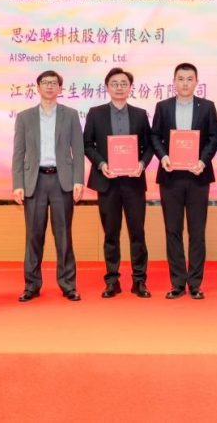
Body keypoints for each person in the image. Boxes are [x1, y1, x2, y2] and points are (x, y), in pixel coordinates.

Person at [11, 70, 85, 302]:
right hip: (35, 181)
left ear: (60, 88)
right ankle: (31, 285)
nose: (50, 86)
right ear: (38, 87)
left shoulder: (70, 115)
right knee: (33, 236)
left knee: (64, 236)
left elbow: (78, 150)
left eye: (54, 83)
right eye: (45, 83)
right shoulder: (25, 117)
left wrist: (78, 180)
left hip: (62, 181)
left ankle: (68, 285)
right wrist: (17, 184)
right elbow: (18, 153)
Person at [83, 67, 154, 299]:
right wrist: (101, 164)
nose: (119, 87)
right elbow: (87, 145)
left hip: (133, 182)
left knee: (137, 233)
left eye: (124, 83)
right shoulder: (96, 113)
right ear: (107, 87)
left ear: (130, 87)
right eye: (115, 83)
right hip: (108, 182)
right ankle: (112, 281)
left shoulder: (140, 114)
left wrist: (142, 164)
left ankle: (139, 281)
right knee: (111, 234)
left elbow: (149, 146)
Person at [151, 63, 217, 300]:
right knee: (173, 230)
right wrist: (164, 156)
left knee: (197, 231)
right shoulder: (163, 106)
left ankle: (196, 283)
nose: (185, 83)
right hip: (170, 176)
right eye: (180, 79)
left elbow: (214, 137)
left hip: (198, 176)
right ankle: (178, 283)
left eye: (190, 79)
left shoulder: (207, 107)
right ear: (174, 82)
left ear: (196, 82)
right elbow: (154, 136)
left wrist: (202, 161)